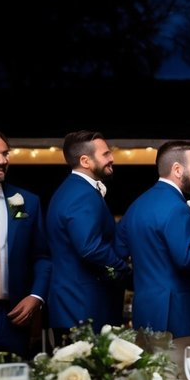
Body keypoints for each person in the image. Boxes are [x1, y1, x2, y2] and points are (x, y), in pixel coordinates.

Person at [115, 139, 190, 340]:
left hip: (143, 309)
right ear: (177, 170)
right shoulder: (178, 208)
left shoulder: (136, 206)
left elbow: (119, 252)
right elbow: (186, 259)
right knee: (176, 368)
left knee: (149, 369)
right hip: (177, 312)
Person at [46, 130, 126, 338]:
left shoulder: (73, 189)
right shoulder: (81, 193)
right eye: (106, 154)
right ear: (85, 160)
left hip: (76, 304)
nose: (112, 159)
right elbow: (90, 247)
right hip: (81, 307)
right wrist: (122, 266)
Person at [0, 127, 49, 356]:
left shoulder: (21, 202)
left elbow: (41, 256)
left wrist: (36, 296)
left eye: (5, 153)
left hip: (14, 319)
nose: (2, 160)